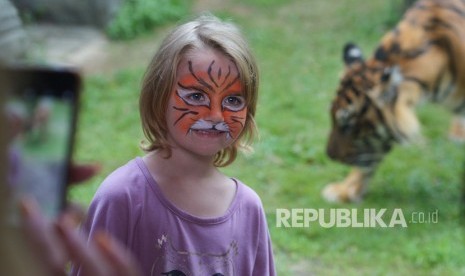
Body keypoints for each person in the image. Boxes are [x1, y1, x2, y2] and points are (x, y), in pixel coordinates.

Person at [72, 14, 276, 275]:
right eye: (196, 96)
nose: (215, 116)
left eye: (233, 100)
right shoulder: (122, 198)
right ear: (158, 97)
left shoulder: (249, 210)